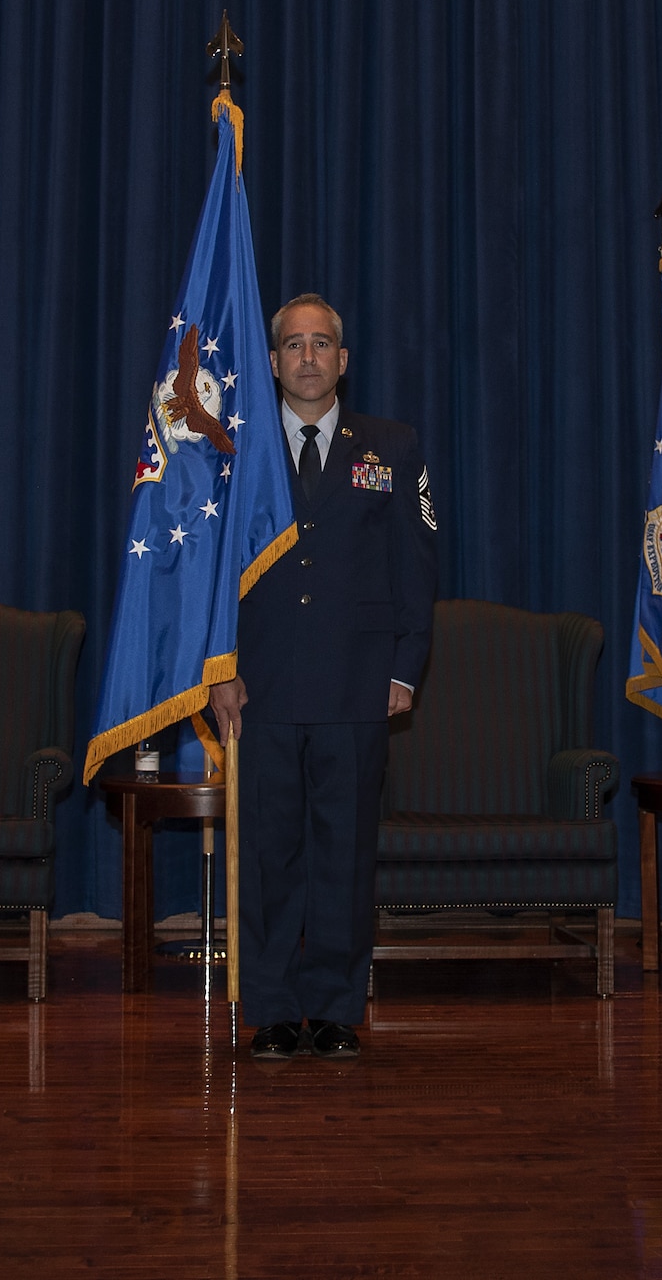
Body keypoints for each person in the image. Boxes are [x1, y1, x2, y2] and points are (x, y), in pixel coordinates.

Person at [208, 294, 437, 1062]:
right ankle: (271, 1007)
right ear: (272, 362)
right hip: (259, 686)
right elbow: (211, 573)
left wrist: (405, 667)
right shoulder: (237, 451)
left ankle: (336, 1005)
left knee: (344, 855)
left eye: (322, 344)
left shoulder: (392, 446)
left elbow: (415, 566)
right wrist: (220, 671)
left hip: (358, 682)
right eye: (294, 345)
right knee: (269, 854)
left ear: (343, 359)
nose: (308, 357)